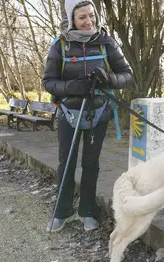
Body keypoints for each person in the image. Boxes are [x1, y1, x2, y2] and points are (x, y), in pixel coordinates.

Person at [42, 0, 133, 232]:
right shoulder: (60, 45)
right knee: (67, 164)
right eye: (82, 17)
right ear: (71, 18)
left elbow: (127, 75)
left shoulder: (106, 42)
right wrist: (73, 87)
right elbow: (48, 82)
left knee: (90, 164)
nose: (88, 21)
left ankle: (88, 211)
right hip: (68, 112)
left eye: (91, 15)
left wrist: (109, 79)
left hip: (98, 113)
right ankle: (61, 212)